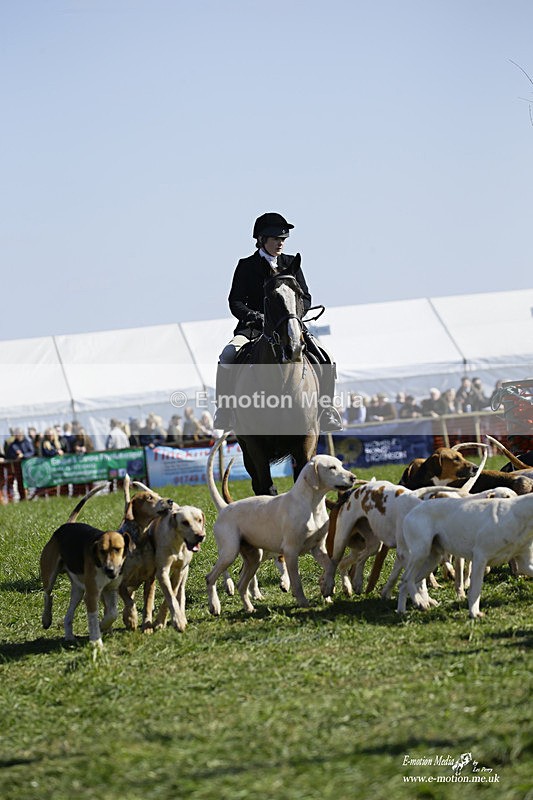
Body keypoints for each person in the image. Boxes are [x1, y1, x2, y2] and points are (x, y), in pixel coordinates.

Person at [213, 212, 343, 432]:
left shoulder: (291, 262)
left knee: (326, 357)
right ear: (261, 239)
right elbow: (235, 302)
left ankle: (327, 409)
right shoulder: (246, 265)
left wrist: (293, 317)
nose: (280, 243)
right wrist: (256, 317)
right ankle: (224, 411)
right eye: (276, 239)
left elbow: (306, 297)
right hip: (253, 329)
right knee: (227, 355)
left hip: (289, 326)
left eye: (283, 239)